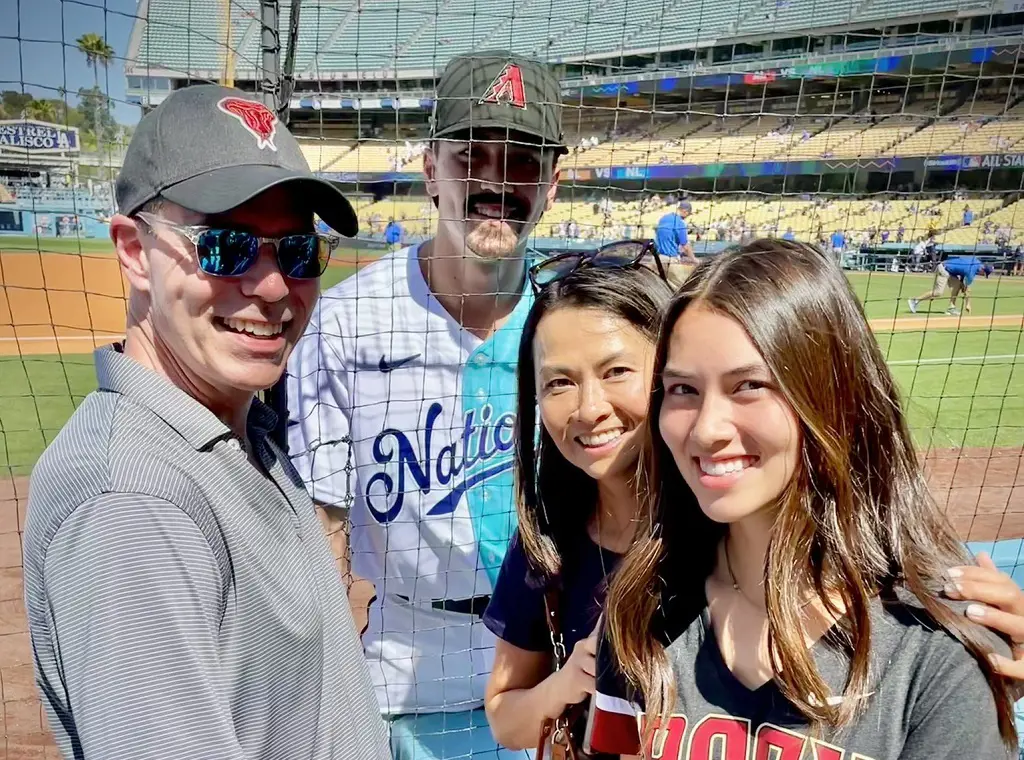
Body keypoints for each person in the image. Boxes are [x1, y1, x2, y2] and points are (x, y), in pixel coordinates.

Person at [22, 85, 389, 759]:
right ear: (134, 250)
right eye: (227, 247)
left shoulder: (236, 428)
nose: (274, 286)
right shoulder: (131, 505)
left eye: (298, 251)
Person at [593, 240, 1019, 759]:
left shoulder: (933, 645)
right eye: (682, 389)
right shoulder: (641, 608)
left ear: (835, 395)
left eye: (749, 385)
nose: (705, 431)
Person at [288, 51, 566, 759]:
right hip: (405, 685)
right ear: (430, 169)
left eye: (524, 162)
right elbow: (323, 531)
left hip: (554, 676)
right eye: (472, 154)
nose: (497, 181)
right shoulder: (346, 322)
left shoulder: (578, 326)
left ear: (554, 186)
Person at [482, 243, 676, 753]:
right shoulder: (546, 543)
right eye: (560, 383)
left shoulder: (734, 534)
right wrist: (563, 686)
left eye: (616, 372)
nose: (589, 409)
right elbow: (505, 718)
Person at [908, 254, 994, 316]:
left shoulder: (976, 262)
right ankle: (914, 301)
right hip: (944, 269)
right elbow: (968, 289)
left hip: (951, 271)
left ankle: (951, 308)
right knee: (938, 292)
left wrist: (962, 284)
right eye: (984, 274)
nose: (982, 275)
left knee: (958, 285)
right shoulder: (972, 271)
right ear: (983, 269)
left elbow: (963, 269)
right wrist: (968, 304)